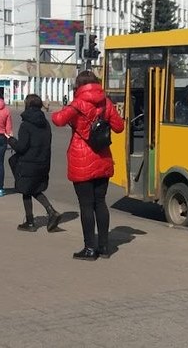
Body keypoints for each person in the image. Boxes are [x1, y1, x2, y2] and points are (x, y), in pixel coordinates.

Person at [52, 70, 125, 260]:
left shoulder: (77, 104)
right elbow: (119, 127)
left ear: (79, 85)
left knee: (86, 205)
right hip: (102, 158)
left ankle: (89, 249)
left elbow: (57, 120)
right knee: (100, 203)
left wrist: (69, 108)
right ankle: (105, 247)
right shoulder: (106, 102)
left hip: (82, 159)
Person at [6, 94, 62, 232]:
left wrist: (10, 140)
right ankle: (50, 211)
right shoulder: (45, 123)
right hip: (42, 161)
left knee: (26, 190)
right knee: (34, 189)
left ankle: (31, 222)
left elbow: (21, 147)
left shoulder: (26, 125)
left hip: (28, 162)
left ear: (27, 105)